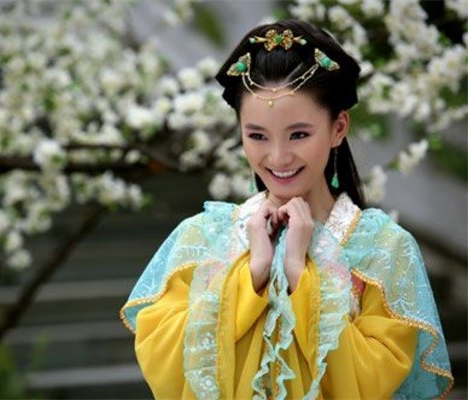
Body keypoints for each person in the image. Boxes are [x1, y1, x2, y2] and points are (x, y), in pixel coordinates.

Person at [120, 19, 453, 399]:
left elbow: (371, 382)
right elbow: (165, 364)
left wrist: (300, 275)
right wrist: (252, 274)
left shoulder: (382, 250)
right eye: (257, 136)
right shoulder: (202, 238)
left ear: (338, 128)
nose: (278, 157)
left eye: (299, 134)